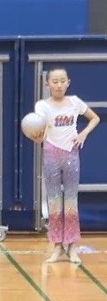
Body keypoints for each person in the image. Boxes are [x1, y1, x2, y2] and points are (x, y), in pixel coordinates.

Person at [33, 66, 100, 264]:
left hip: (71, 153)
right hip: (51, 154)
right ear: (47, 84)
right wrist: (37, 136)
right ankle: (57, 246)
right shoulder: (42, 106)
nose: (59, 85)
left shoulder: (75, 102)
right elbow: (40, 130)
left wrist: (83, 133)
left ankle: (71, 246)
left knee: (70, 200)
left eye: (63, 81)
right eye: (55, 82)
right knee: (54, 201)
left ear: (68, 83)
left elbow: (94, 118)